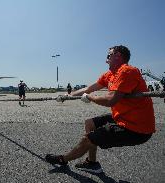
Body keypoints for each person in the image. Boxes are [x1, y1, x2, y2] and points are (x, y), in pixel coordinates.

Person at [45, 45, 155, 174]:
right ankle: (92, 163)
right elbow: (87, 89)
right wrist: (67, 96)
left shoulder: (127, 71)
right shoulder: (110, 75)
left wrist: (91, 98)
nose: (106, 60)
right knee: (89, 123)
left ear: (118, 55)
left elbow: (110, 100)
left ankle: (63, 159)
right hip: (123, 117)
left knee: (89, 139)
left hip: (137, 129)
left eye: (108, 56)